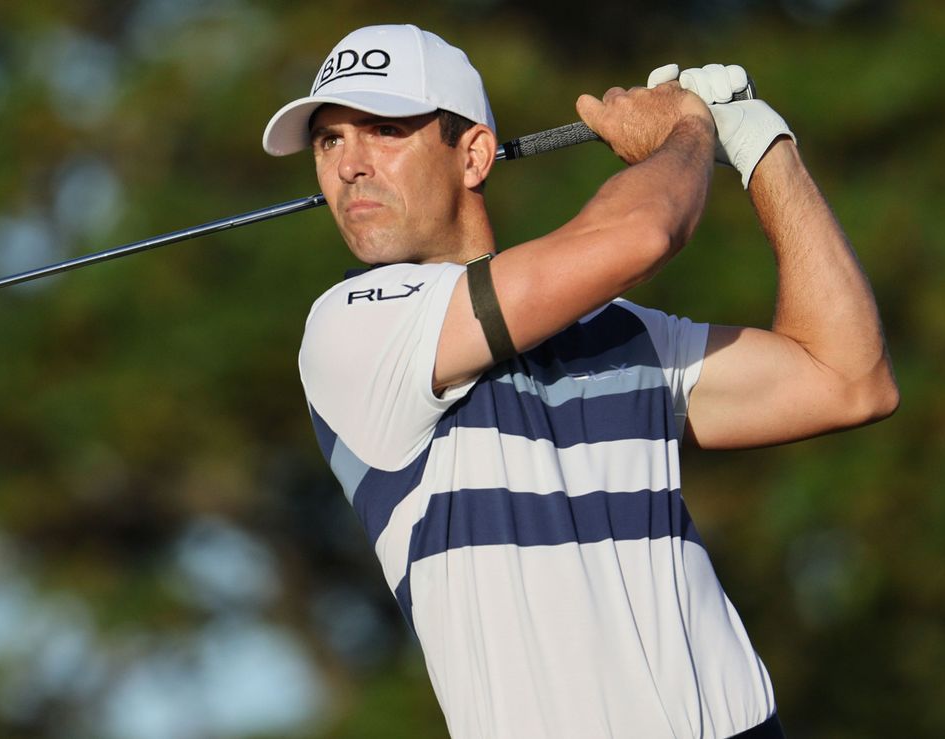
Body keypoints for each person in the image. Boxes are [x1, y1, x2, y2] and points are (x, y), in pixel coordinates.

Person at [262, 24, 897, 739]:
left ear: (472, 154)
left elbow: (849, 377)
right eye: (329, 141)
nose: (349, 165)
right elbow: (640, 235)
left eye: (382, 130)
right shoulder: (352, 329)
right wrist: (686, 129)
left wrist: (764, 149)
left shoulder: (623, 333)